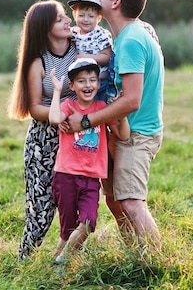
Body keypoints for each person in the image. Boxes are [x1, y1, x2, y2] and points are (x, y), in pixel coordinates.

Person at [65, 0, 165, 252]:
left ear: (116, 3)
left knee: (132, 202)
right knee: (113, 200)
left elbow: (131, 100)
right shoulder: (126, 36)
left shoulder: (132, 40)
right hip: (119, 132)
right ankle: (135, 255)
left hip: (138, 133)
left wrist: (85, 121)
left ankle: (157, 261)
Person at [7, 0, 78, 260]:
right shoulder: (39, 62)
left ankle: (68, 260)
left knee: (78, 203)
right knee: (41, 208)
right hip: (44, 140)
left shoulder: (80, 50)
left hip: (77, 137)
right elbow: (35, 107)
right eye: (60, 19)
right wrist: (59, 117)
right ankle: (24, 260)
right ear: (45, 28)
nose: (68, 20)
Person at [48, 58, 130, 263]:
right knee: (66, 231)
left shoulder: (101, 108)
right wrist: (57, 91)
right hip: (66, 175)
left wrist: (123, 112)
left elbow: (124, 135)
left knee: (88, 222)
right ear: (72, 86)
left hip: (92, 179)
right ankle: (55, 267)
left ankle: (62, 260)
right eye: (82, 81)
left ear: (98, 84)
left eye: (93, 80)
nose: (88, 85)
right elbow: (54, 119)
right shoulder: (69, 105)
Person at [67, 0, 115, 102]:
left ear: (98, 18)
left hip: (100, 80)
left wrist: (86, 58)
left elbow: (107, 57)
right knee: (85, 107)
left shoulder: (101, 34)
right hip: (81, 81)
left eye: (91, 16)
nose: (85, 20)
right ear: (74, 15)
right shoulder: (73, 33)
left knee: (101, 106)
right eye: (81, 15)